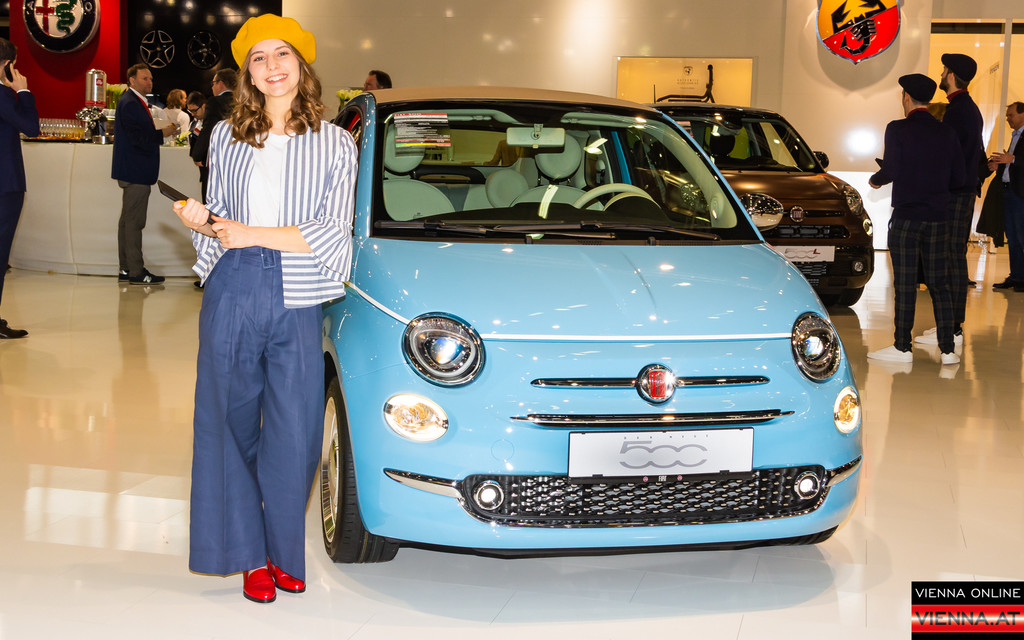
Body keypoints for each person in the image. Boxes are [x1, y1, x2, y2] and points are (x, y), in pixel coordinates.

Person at [172, 14, 357, 604]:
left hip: (298, 292)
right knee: (225, 419)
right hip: (234, 286)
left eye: (283, 54)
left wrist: (250, 232)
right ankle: (249, 555)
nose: (272, 67)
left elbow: (334, 232)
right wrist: (202, 220)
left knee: (295, 428)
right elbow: (222, 219)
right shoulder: (226, 137)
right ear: (247, 73)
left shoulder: (335, 143)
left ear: (302, 64)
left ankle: (282, 550)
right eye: (259, 58)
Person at [867, 74, 965, 366]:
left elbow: (891, 170)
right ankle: (948, 350)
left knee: (906, 284)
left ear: (906, 97)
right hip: (938, 218)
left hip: (907, 219)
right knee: (940, 284)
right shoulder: (947, 132)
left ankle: (902, 347)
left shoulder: (897, 128)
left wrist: (875, 179)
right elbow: (959, 178)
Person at [915, 53, 985, 347]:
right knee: (953, 257)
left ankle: (952, 329)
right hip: (961, 190)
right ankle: (951, 326)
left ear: (952, 75)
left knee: (951, 258)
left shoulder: (959, 111)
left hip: (955, 193)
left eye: (944, 70)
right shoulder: (967, 108)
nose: (941, 75)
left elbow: (948, 156)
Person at [111, 63, 178, 285]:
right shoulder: (131, 102)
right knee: (134, 223)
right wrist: (163, 133)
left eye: (151, 78)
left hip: (133, 170)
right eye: (144, 78)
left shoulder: (133, 101)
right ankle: (136, 271)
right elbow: (137, 138)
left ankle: (126, 268)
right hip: (136, 171)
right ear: (132, 80)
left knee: (126, 222)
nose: (150, 82)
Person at [0, 38, 40, 339]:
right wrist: (23, 91)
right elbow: (31, 127)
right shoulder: (3, 94)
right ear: (8, 65)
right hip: (5, 185)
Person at [988, 102, 1024, 292]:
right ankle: (1016, 276)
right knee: (1012, 236)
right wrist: (1000, 165)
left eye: (1011, 115)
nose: (1008, 118)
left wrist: (1013, 159)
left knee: (1021, 235)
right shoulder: (1016, 135)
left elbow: (1017, 161)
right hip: (1009, 191)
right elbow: (1013, 166)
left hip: (1020, 194)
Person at [190, 68, 236, 203]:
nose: (212, 87)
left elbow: (209, 129)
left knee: (212, 203)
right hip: (238, 161)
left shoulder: (215, 101)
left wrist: (198, 154)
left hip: (217, 161)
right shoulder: (244, 101)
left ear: (221, 83)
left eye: (213, 83)